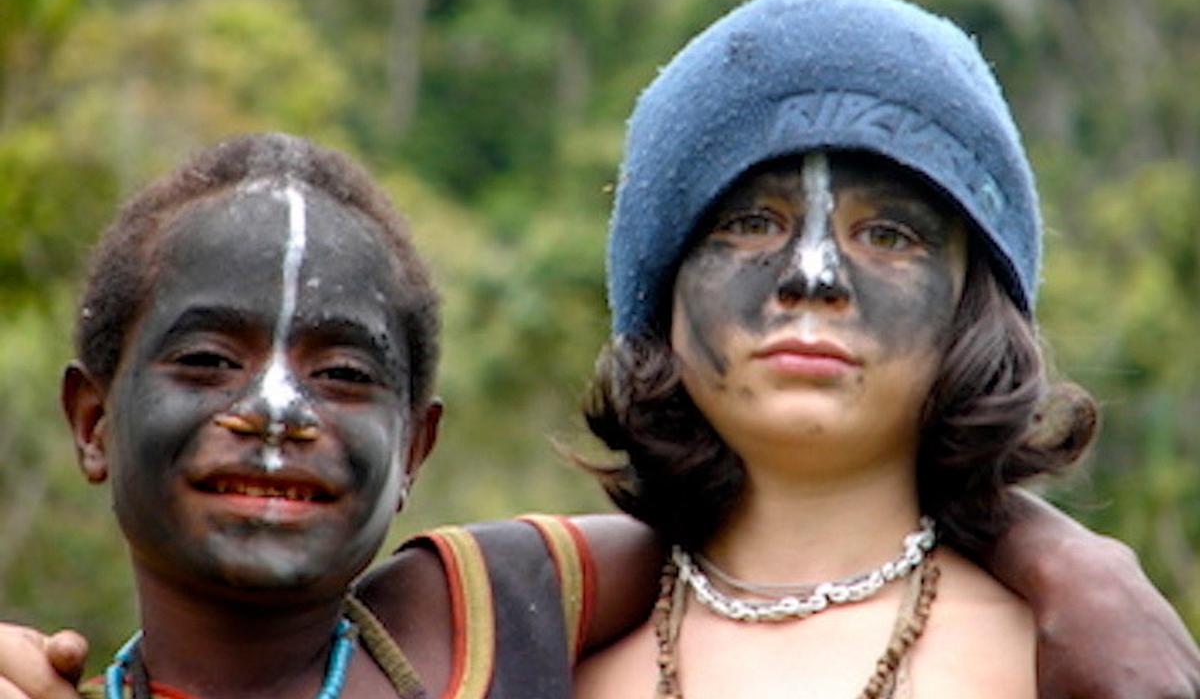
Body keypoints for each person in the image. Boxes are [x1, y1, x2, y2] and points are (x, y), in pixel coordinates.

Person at [0, 129, 1197, 697]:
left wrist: (1079, 570)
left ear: (418, 445)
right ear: (91, 420)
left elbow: (794, 530)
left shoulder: (484, 614)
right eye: (210, 359)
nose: (274, 414)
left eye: (346, 374)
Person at [573, 0, 1200, 697]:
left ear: (975, 304)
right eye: (751, 224)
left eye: (887, 235)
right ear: (659, 286)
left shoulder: (1075, 669)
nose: (813, 276)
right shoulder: (538, 663)